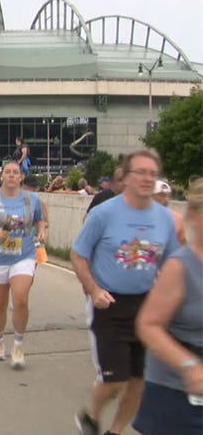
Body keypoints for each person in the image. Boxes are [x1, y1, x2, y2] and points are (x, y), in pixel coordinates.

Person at [71, 149, 180, 435]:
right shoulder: (103, 213)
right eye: (141, 172)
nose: (147, 179)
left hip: (147, 305)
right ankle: (92, 414)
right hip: (110, 303)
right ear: (126, 177)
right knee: (115, 380)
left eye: (153, 174)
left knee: (139, 381)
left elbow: (173, 264)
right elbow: (78, 256)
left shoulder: (166, 219)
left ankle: (116, 431)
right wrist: (94, 290)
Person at [133, 178, 203, 434]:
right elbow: (148, 325)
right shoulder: (180, 266)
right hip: (177, 391)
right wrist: (189, 366)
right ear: (194, 215)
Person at [0, 162, 47, 367]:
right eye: (8, 172)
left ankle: (19, 344)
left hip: (25, 255)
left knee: (21, 299)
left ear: (21, 177)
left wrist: (41, 230)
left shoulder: (33, 199)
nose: (12, 176)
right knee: (0, 303)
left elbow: (40, 220)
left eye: (16, 173)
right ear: (2, 176)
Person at [153, 180, 187, 246]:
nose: (166, 199)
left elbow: (183, 245)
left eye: (168, 196)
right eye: (161, 195)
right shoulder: (142, 215)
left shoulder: (177, 218)